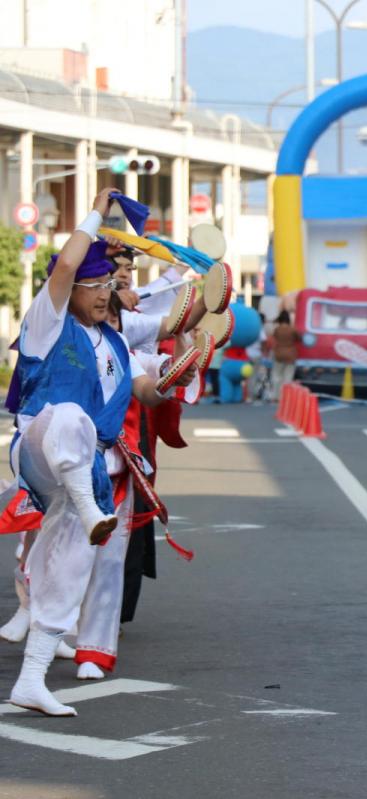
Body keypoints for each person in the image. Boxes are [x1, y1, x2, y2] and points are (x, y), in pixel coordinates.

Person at [5, 188, 197, 716]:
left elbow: (149, 392)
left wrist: (187, 360)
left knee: (68, 569)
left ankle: (32, 680)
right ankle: (89, 509)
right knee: (71, 417)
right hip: (40, 452)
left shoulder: (114, 345)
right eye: (94, 286)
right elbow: (66, 263)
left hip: (87, 473)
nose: (102, 295)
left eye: (106, 287)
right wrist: (96, 208)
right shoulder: (47, 322)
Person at [270, 310, 299, 398]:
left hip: (278, 353)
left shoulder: (277, 329)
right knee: (288, 376)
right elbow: (298, 338)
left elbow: (273, 338)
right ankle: (285, 396)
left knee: (276, 375)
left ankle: (275, 395)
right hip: (290, 353)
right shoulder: (292, 329)